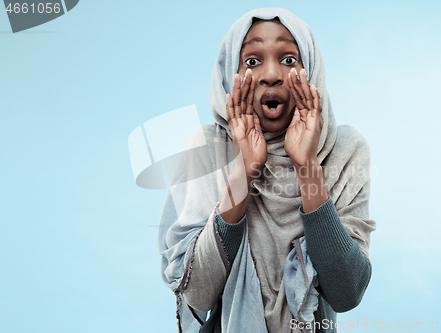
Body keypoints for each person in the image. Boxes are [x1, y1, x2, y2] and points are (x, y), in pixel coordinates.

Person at [158, 7, 376, 333]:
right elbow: (198, 293)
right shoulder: (207, 148)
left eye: (289, 60)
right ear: (230, 73)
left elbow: (347, 292)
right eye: (252, 61)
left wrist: (307, 167)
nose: (270, 74)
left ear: (311, 71)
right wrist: (244, 171)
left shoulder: (345, 149)